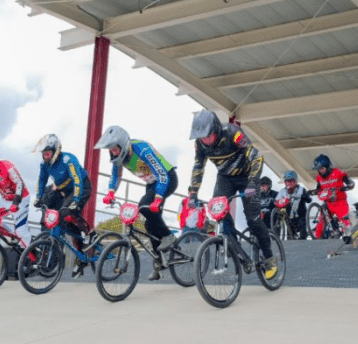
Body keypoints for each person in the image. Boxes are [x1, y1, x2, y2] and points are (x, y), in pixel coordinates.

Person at [188, 109, 278, 279]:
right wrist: (193, 193)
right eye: (202, 138)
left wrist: (253, 182)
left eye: (208, 136)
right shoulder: (200, 144)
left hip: (246, 177)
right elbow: (198, 167)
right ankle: (233, 245)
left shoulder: (233, 133)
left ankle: (269, 258)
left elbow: (256, 157)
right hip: (225, 178)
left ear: (216, 129)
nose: (205, 141)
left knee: (253, 219)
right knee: (218, 211)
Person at [94, 125, 178, 281]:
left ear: (123, 144)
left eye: (114, 149)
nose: (113, 153)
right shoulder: (118, 159)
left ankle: (168, 237)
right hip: (152, 183)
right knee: (149, 226)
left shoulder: (142, 149)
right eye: (110, 150)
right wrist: (111, 191)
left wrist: (158, 198)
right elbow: (115, 176)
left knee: (144, 206)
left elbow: (162, 175)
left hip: (167, 178)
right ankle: (160, 263)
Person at [32, 133, 94, 278]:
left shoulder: (68, 159)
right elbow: (41, 181)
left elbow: (77, 180)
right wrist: (39, 198)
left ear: (55, 150)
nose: (46, 156)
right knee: (65, 223)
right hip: (66, 192)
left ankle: (90, 233)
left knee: (66, 213)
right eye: (44, 154)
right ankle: (81, 257)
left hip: (81, 188)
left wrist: (76, 201)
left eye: (48, 153)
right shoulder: (44, 164)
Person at [312, 154, 354, 238]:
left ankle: (351, 235)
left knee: (345, 219)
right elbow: (318, 188)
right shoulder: (319, 177)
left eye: (322, 168)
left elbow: (350, 182)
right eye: (319, 170)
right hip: (328, 203)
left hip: (340, 201)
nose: (321, 171)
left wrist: (348, 186)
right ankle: (316, 240)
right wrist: (313, 192)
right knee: (321, 222)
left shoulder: (338, 172)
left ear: (328, 166)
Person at [273, 170, 311, 240]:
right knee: (290, 236)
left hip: (300, 215)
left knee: (302, 229)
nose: (288, 183)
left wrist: (305, 197)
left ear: (295, 181)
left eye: (291, 181)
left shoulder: (301, 189)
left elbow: (309, 200)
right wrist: (278, 202)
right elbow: (276, 201)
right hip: (289, 218)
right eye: (287, 181)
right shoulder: (282, 191)